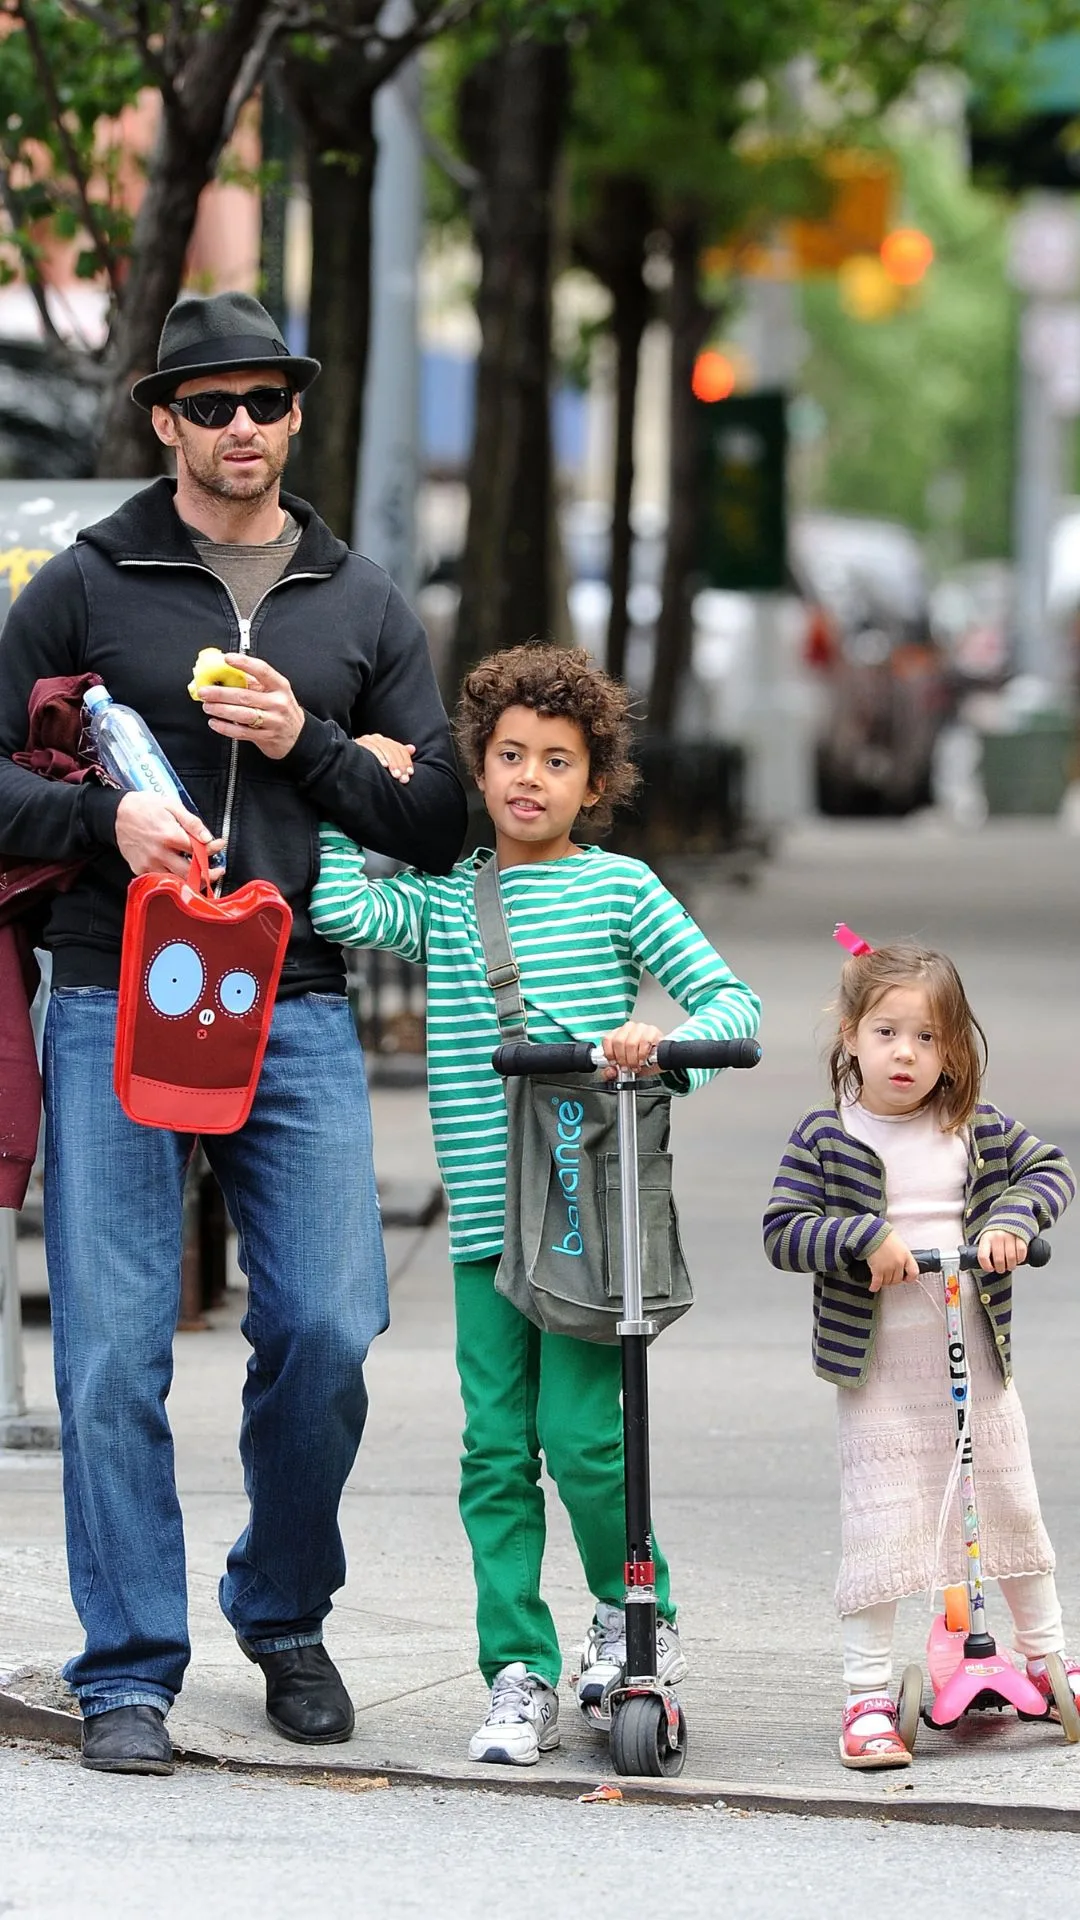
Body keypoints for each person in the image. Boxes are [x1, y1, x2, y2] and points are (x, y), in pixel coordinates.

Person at [0, 291, 466, 1776]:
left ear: (295, 416)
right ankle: (127, 1666)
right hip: (110, 990)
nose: (244, 429)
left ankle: (281, 1609)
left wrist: (305, 743)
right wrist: (103, 818)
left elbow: (442, 820)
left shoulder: (362, 602)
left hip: (299, 1001)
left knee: (330, 1324)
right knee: (111, 1355)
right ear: (164, 421)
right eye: (214, 406)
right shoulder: (85, 584)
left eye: (267, 402)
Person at [310, 643, 761, 1764]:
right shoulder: (450, 899)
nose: (527, 778)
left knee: (582, 1439)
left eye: (556, 761)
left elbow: (729, 1000)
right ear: (476, 766)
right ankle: (516, 1669)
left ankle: (630, 1612)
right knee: (495, 1452)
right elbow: (331, 903)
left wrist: (662, 1048)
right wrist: (344, 780)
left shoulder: (621, 888)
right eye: (508, 755)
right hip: (480, 1225)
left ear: (594, 784)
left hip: (581, 1220)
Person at [763, 939, 1077, 1770]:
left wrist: (1013, 1220)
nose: (908, 1054)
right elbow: (783, 1231)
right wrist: (862, 1236)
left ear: (956, 1049)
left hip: (975, 1359)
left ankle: (1051, 1657)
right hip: (880, 1375)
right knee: (886, 1523)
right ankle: (866, 1691)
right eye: (889, 1032)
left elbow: (1051, 1170)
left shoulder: (973, 1126)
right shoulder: (828, 1135)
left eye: (930, 1038)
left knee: (1009, 1503)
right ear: (852, 1034)